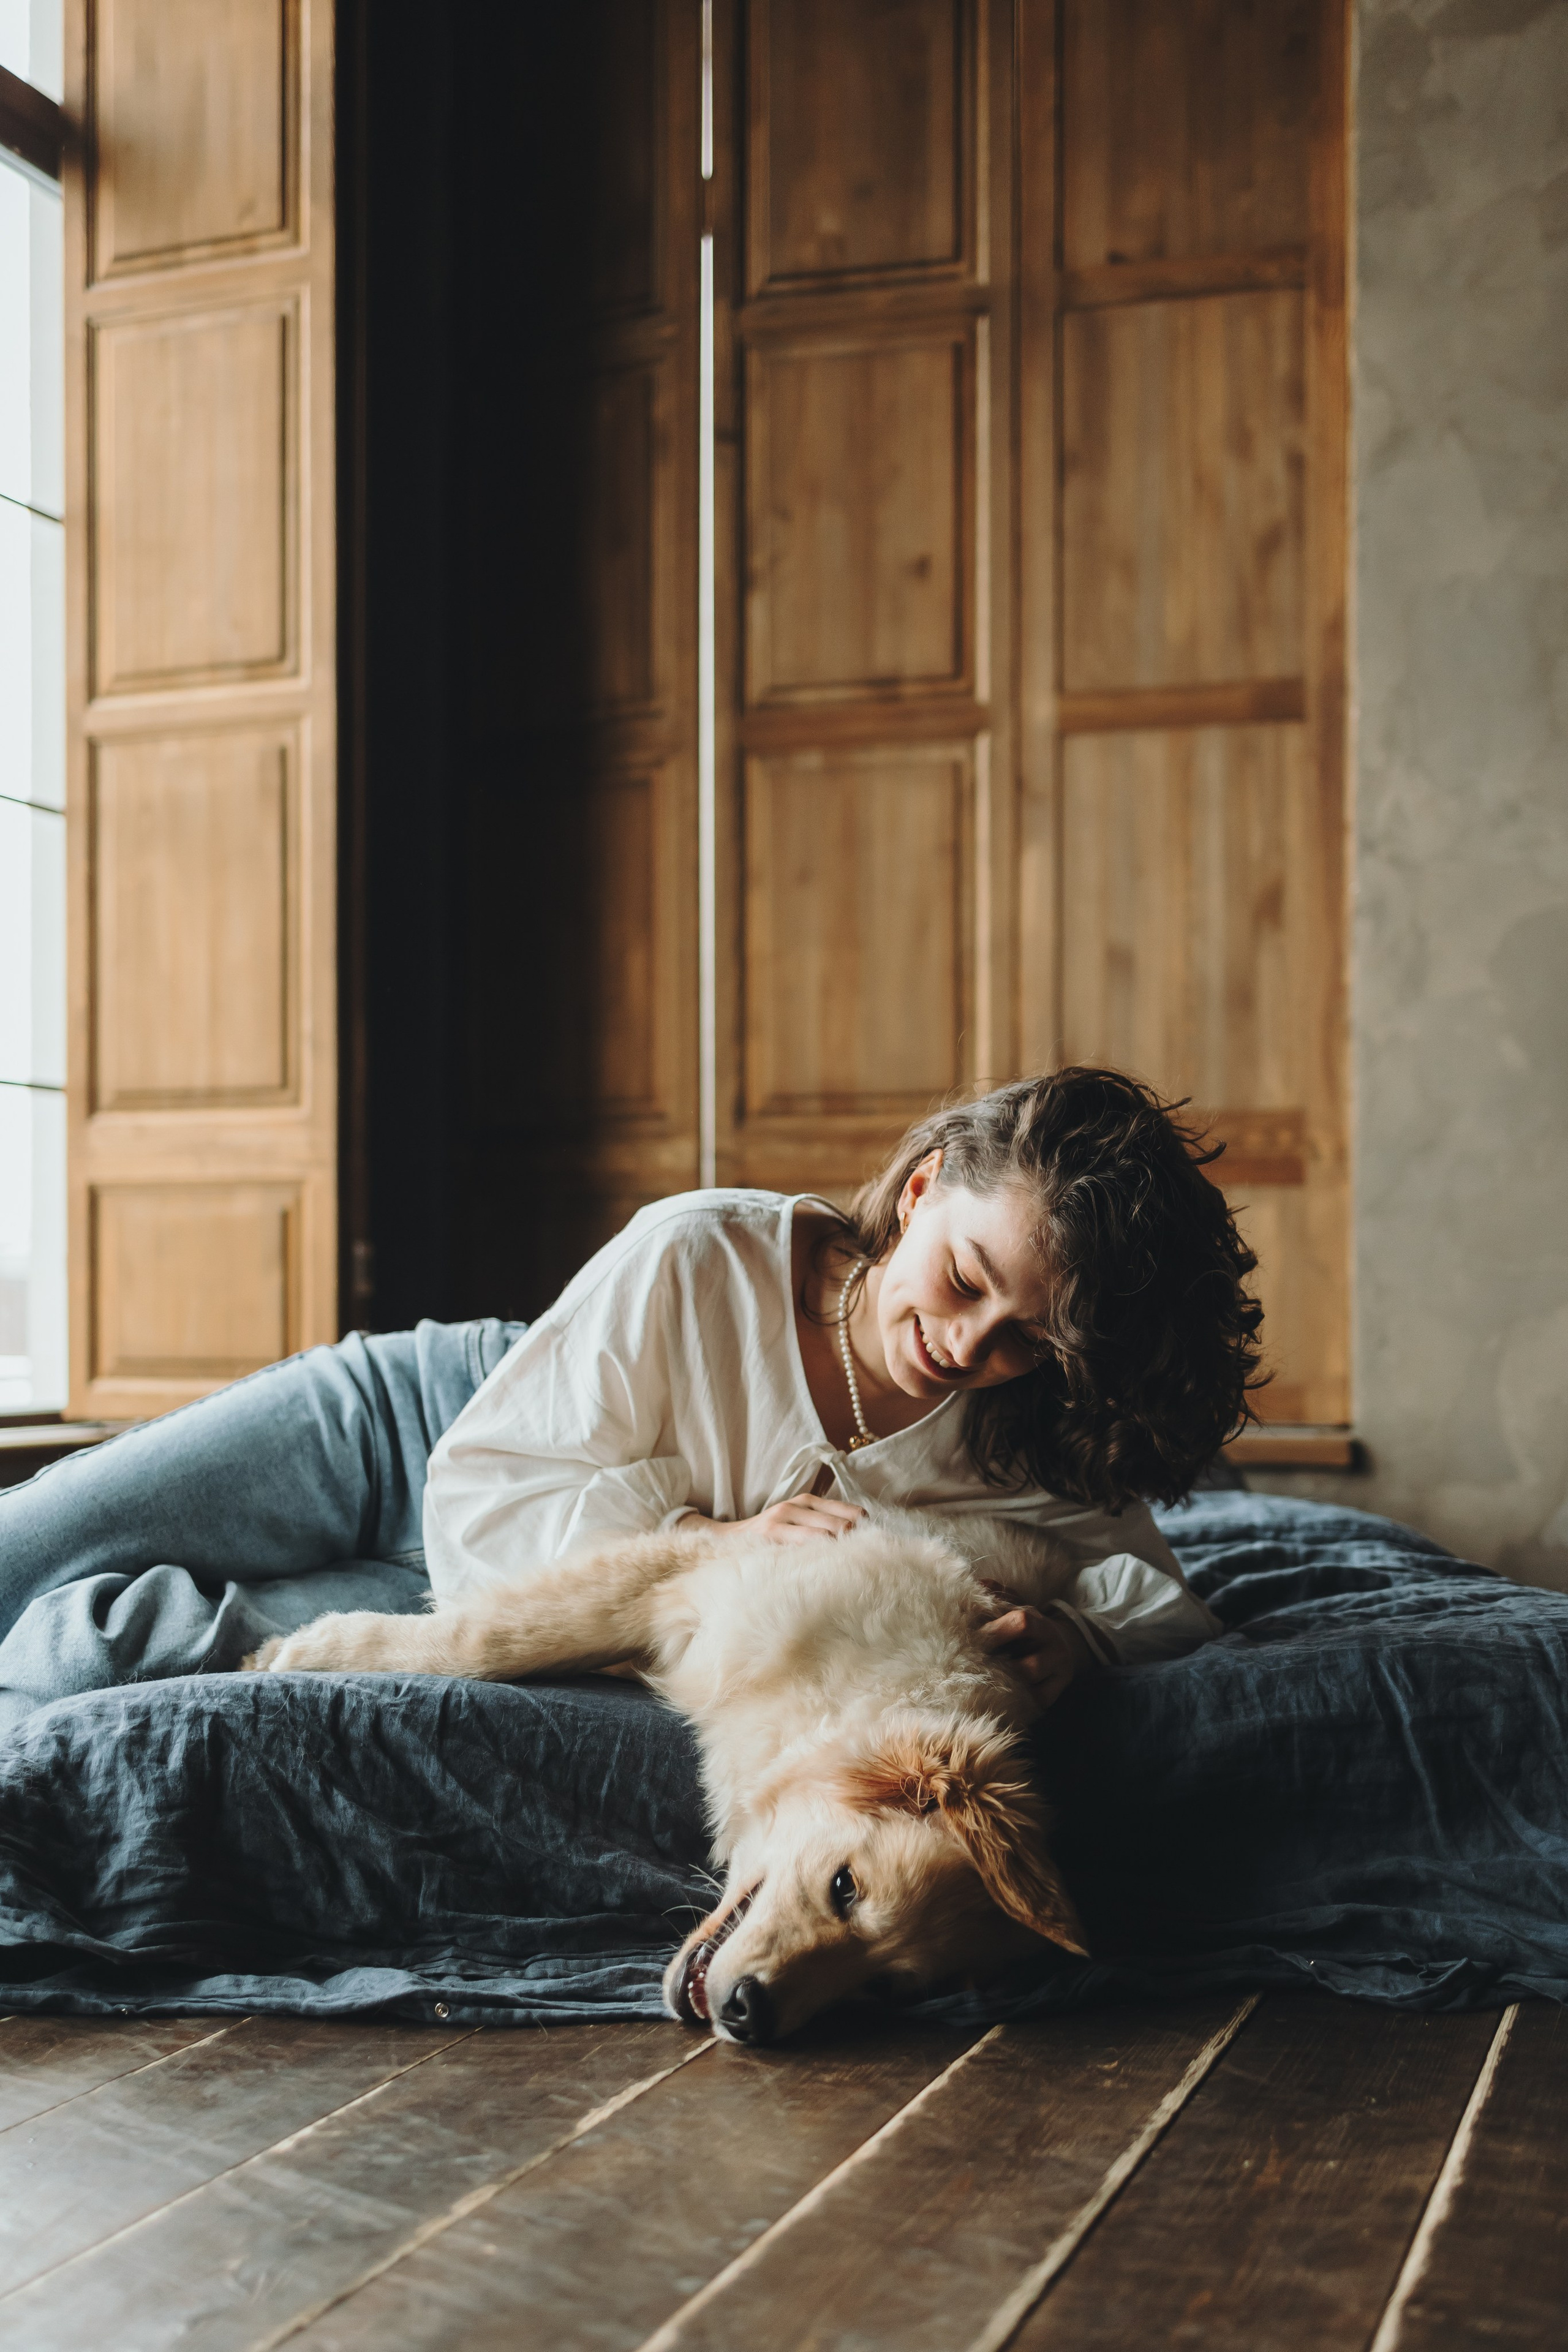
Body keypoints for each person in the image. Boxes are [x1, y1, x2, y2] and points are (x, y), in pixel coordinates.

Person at [0, 1069, 1262, 1738]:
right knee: (32, 1542)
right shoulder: (703, 1253)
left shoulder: (1012, 1444)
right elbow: (487, 1487)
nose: (966, 1343)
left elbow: (1168, 1611)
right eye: (963, 1282)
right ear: (924, 1188)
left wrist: (1080, 1646)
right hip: (428, 1429)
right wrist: (706, 1545)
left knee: (96, 1648)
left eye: (1023, 1341)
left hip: (524, 1602)